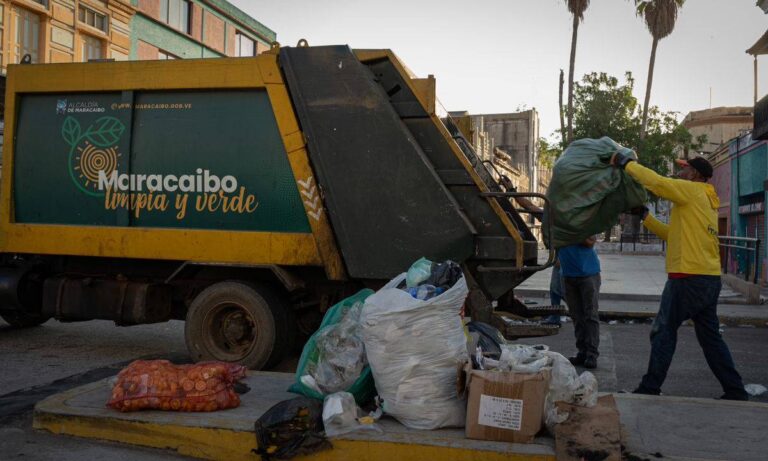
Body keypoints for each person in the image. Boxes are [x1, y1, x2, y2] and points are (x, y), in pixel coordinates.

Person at [611, 153, 749, 400]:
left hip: (687, 277)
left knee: (664, 330)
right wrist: (645, 216)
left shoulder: (692, 191)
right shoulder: (705, 200)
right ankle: (735, 390)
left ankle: (650, 387)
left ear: (695, 174)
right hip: (708, 278)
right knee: (710, 339)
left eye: (684, 169)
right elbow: (671, 233)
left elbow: (658, 183)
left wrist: (626, 163)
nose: (680, 173)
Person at [503, 179, 562, 326]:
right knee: (555, 288)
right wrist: (512, 191)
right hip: (561, 258)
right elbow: (529, 206)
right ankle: (556, 317)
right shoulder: (549, 217)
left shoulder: (564, 220)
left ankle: (575, 315)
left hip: (571, 259)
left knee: (564, 288)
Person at [558, 236, 601, 369]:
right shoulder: (559, 222)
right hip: (568, 274)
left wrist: (569, 233)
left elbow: (590, 241)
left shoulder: (580, 220)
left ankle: (592, 354)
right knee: (577, 316)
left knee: (590, 315)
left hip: (588, 274)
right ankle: (582, 352)